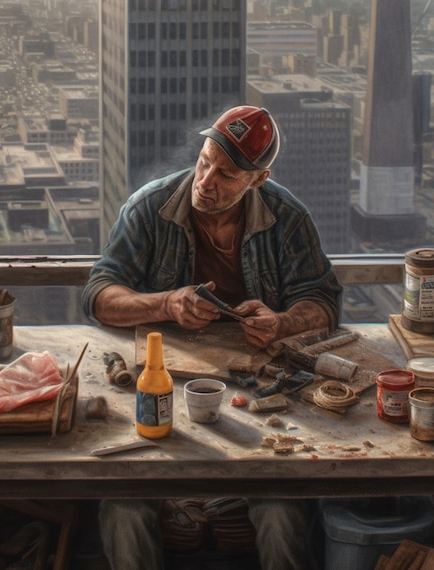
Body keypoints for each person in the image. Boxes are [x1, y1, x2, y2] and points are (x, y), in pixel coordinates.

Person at [82, 105, 342, 569]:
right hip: (158, 386)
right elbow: (99, 295)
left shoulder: (288, 218)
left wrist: (280, 323)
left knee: (282, 511)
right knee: (122, 508)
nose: (205, 181)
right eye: (205, 162)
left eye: (225, 175)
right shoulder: (149, 208)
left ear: (257, 179)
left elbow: (323, 304)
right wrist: (166, 303)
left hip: (259, 400)